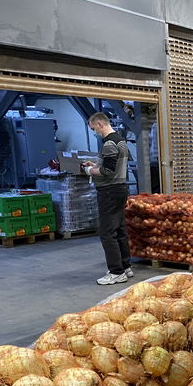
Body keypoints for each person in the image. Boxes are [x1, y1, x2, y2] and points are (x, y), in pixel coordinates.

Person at [82, 112, 132, 285]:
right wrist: (96, 164)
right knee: (119, 229)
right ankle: (125, 266)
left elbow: (108, 172)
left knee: (107, 233)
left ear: (100, 123)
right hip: (119, 189)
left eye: (93, 128)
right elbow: (116, 164)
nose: (94, 131)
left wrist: (89, 171)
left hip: (109, 192)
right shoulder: (121, 141)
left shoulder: (109, 143)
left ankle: (116, 272)